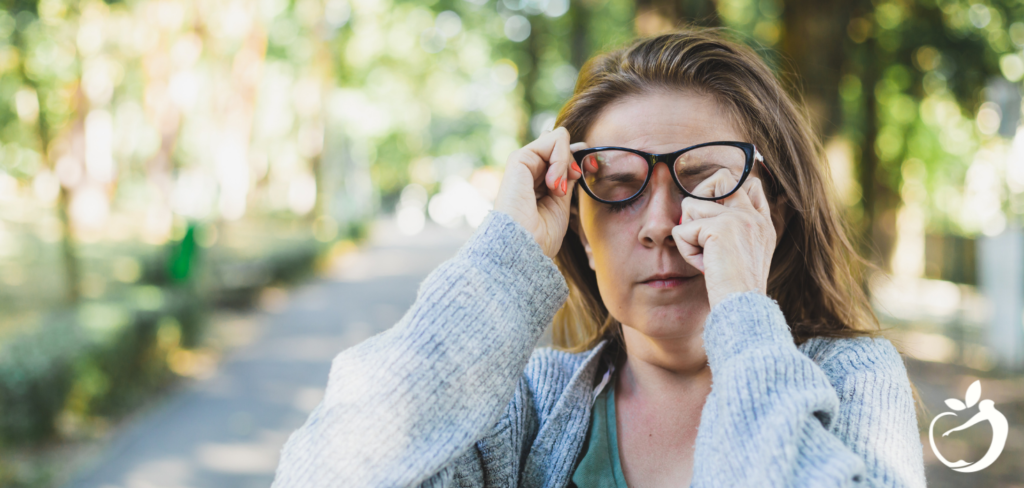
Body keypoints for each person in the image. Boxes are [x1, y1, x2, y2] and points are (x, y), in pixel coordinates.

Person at [271, 28, 928, 487]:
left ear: (770, 217)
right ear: (580, 231)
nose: (662, 225)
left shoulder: (854, 380)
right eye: (617, 189)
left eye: (705, 182)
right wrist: (501, 263)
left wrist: (744, 318)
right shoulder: (524, 404)